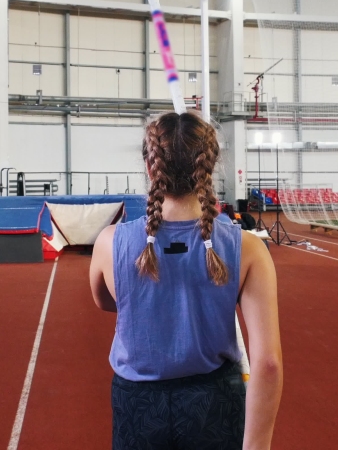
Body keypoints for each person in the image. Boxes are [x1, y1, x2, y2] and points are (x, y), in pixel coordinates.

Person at [89, 112, 282, 450]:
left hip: (138, 405)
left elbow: (105, 301)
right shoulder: (249, 249)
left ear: (151, 169)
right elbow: (267, 363)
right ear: (208, 168)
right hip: (215, 403)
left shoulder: (109, 242)